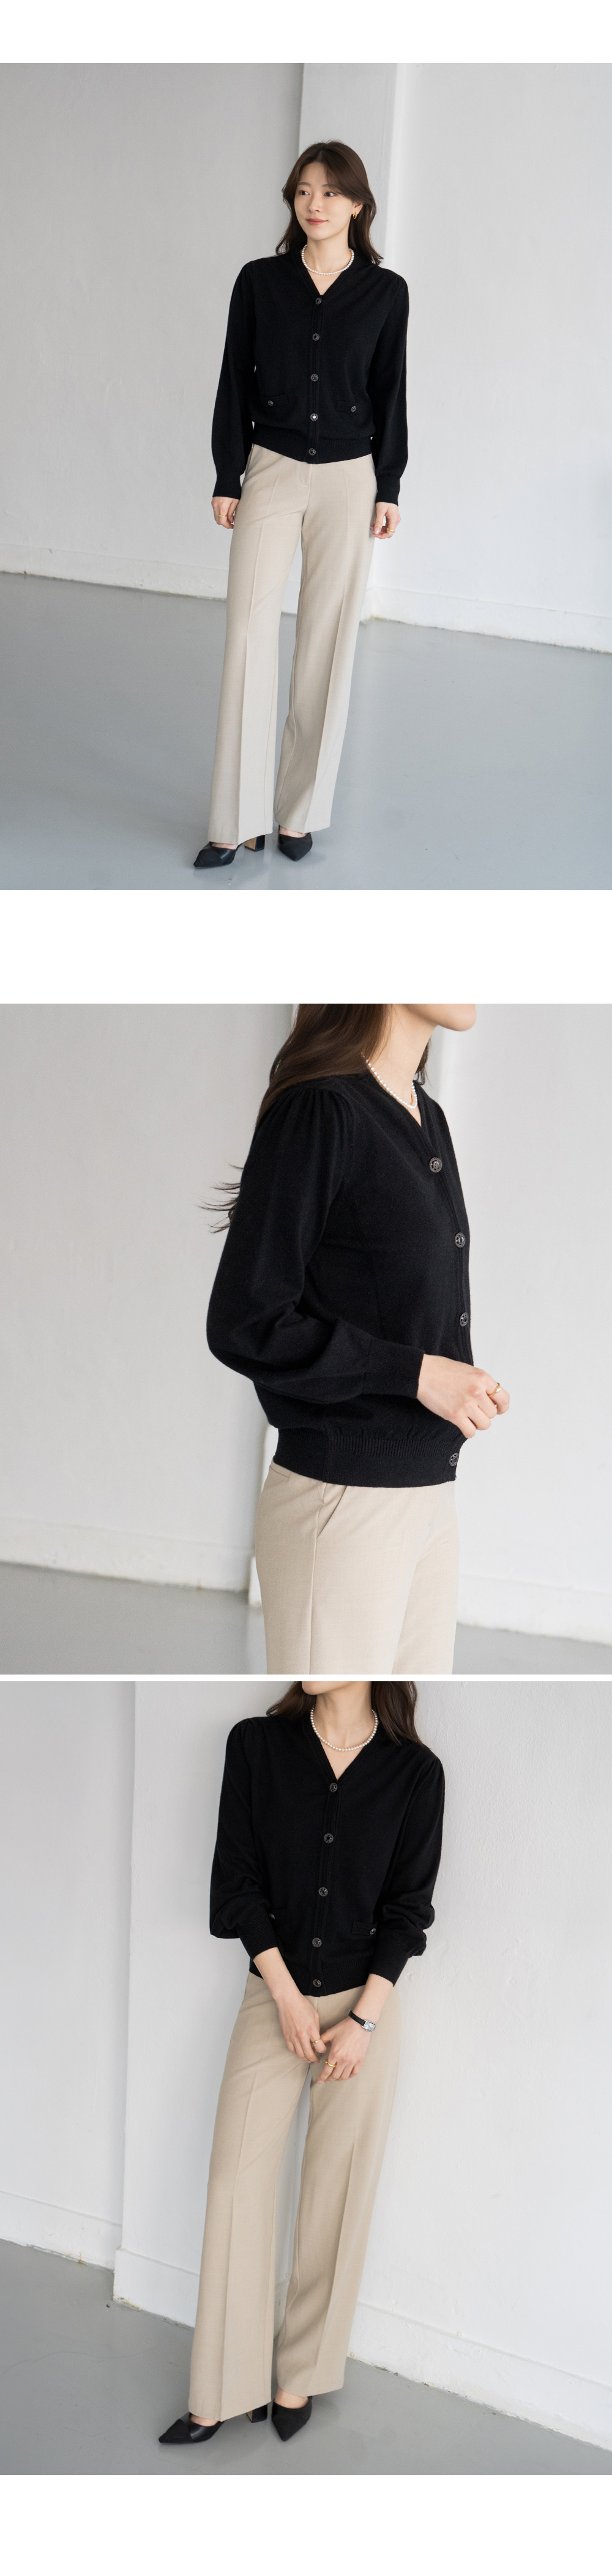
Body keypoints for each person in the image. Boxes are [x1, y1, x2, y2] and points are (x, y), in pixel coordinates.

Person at [159, 1678, 444, 2449]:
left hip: (364, 2011)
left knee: (336, 2192)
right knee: (235, 2184)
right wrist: (284, 1996)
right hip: (273, 1995)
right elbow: (236, 1883)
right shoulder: (256, 1746)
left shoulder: (415, 1773)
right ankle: (220, 2390)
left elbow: (408, 1910)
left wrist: (363, 2022)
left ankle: (298, 2376)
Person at [206, 1004, 510, 1674]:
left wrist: (454, 1383)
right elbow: (245, 1322)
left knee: (407, 1708)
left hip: (430, 1498)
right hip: (343, 1501)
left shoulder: (426, 1117)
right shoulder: (320, 1110)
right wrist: (418, 1373)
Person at [195, 141, 408, 871]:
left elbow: (390, 391)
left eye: (330, 192)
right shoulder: (260, 281)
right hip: (272, 470)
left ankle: (297, 814)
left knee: (328, 639)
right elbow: (234, 379)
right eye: (303, 191)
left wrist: (389, 485)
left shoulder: (385, 293)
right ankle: (233, 821)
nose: (315, 204)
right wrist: (228, 475)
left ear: (358, 204)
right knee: (248, 631)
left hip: (350, 478)